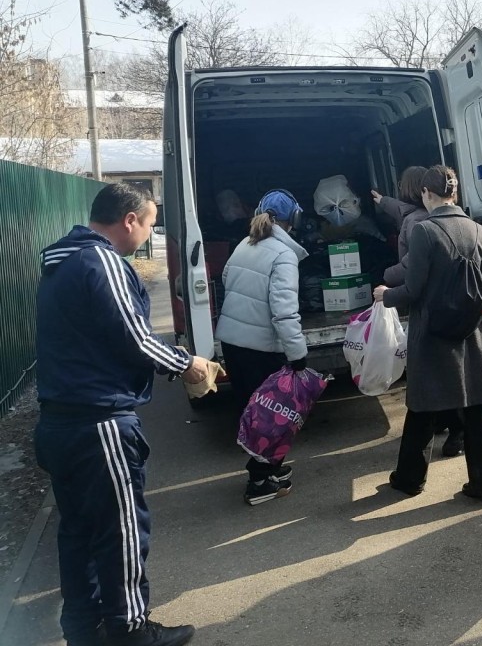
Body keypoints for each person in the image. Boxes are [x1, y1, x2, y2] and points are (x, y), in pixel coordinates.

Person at [34, 182, 210, 646]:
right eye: (150, 222)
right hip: (99, 421)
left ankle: (83, 627)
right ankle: (131, 628)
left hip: (60, 421)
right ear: (129, 219)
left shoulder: (62, 262)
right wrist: (187, 363)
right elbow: (134, 338)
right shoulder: (102, 261)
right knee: (122, 529)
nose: (150, 232)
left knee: (78, 530)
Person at [372, 165, 482, 506]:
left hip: (434, 333)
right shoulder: (477, 229)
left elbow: (413, 289)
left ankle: (410, 480)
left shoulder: (425, 232)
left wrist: (386, 294)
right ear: (454, 194)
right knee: (476, 410)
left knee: (423, 407)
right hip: (473, 333)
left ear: (426, 194)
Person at [215, 189, 309, 506]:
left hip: (233, 342)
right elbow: (284, 312)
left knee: (252, 409)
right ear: (294, 218)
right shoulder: (283, 255)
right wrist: (298, 354)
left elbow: (227, 279)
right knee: (271, 417)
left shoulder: (246, 244)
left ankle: (272, 468)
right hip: (260, 348)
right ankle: (258, 481)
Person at [375, 166, 466, 457]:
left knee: (433, 379)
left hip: (432, 313)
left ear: (424, 192)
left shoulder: (421, 226)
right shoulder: (467, 225)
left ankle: (453, 431)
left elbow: (412, 277)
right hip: (449, 313)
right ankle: (449, 426)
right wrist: (380, 200)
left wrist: (385, 284)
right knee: (444, 376)